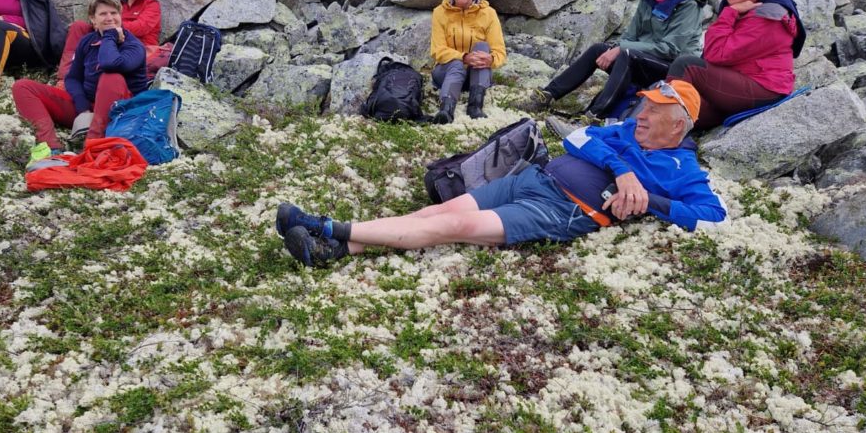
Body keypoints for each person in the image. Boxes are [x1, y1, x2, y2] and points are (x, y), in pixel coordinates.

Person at [275, 79, 727, 267]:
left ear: (678, 125)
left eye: (653, 111)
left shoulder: (682, 169)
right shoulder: (626, 130)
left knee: (454, 226)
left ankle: (326, 227)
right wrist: (623, 170)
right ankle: (333, 250)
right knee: (439, 211)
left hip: (563, 210)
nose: (641, 115)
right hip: (533, 178)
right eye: (643, 106)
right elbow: (578, 138)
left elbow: (713, 216)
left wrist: (650, 200)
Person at [534, 0, 707, 118]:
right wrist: (617, 47)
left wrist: (621, 48)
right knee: (598, 50)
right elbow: (630, 36)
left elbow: (671, 49)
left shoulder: (688, 4)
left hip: (674, 69)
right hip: (646, 59)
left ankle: (594, 115)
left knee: (627, 54)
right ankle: (547, 95)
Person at [666, 0, 806, 130]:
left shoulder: (769, 15)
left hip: (764, 88)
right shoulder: (751, 9)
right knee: (665, 95)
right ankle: (656, 129)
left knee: (686, 66)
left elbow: (715, 54)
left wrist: (729, 13)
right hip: (739, 86)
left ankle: (661, 131)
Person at [12, 0, 146, 169]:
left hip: (120, 113)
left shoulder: (134, 46)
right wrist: (82, 107)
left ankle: (92, 146)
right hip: (89, 109)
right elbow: (73, 78)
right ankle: (51, 148)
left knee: (111, 77)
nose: (109, 18)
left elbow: (109, 63)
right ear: (93, 19)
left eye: (114, 13)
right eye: (103, 14)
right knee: (22, 87)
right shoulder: (87, 42)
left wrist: (110, 36)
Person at [55, 0, 164, 84]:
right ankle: (65, 76)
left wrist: (108, 26)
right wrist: (99, 24)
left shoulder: (151, 4)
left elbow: (141, 27)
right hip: (111, 42)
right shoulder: (118, 4)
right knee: (78, 26)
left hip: (137, 48)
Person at [430, 0, 506, 123]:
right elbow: (437, 50)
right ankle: (446, 110)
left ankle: (475, 106)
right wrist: (464, 57)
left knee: (482, 49)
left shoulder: (489, 14)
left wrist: (491, 59)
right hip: (446, 74)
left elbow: (499, 52)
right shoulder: (439, 12)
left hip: (475, 76)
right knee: (456, 63)